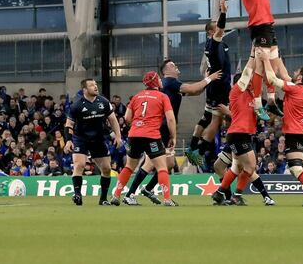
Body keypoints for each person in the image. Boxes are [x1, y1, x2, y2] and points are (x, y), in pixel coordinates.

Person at [128, 61, 221, 194]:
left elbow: (196, 92)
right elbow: (193, 89)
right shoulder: (170, 82)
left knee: (169, 163)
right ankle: (130, 194)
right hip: (162, 128)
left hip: (162, 127)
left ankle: (147, 189)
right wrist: (209, 78)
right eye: (172, 65)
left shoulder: (172, 85)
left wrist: (206, 80)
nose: (176, 66)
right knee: (150, 163)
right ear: (166, 70)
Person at [235, 0, 292, 119]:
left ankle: (272, 101)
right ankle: (258, 103)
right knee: (261, 66)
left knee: (274, 64)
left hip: (267, 26)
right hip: (260, 27)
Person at [261, 48, 303, 206]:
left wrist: (265, 59)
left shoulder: (294, 89)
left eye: (296, 71)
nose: (293, 72)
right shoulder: (302, 89)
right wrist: (275, 57)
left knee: (296, 169)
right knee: (302, 169)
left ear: (299, 76)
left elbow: (272, 78)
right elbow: (285, 75)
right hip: (301, 132)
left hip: (294, 132)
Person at [111, 71, 177, 207]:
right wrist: (173, 136)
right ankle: (167, 199)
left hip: (134, 135)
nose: (161, 80)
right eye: (159, 78)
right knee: (162, 167)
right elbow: (170, 119)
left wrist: (137, 124)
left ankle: (116, 195)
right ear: (155, 81)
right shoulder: (163, 96)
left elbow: (127, 118)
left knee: (129, 166)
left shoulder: (136, 97)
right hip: (152, 136)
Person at [186, 0, 233, 167]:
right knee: (216, 120)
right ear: (210, 32)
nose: (221, 29)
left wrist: (209, 71)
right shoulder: (214, 42)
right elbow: (220, 28)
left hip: (215, 83)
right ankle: (199, 152)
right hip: (220, 85)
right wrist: (223, 12)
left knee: (206, 116)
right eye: (217, 28)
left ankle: (191, 148)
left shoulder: (215, 44)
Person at [211, 55, 262, 206]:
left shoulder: (251, 96)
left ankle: (221, 193)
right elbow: (247, 73)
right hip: (237, 134)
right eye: (248, 80)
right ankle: (235, 195)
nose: (250, 82)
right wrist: (253, 56)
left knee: (241, 166)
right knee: (249, 166)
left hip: (245, 134)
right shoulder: (236, 92)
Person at [65, 78, 123, 206]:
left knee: (107, 169)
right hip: (81, 139)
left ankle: (103, 199)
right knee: (79, 165)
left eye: (96, 85)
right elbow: (69, 125)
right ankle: (78, 195)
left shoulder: (104, 102)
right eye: (92, 85)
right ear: (84, 89)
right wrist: (68, 141)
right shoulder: (77, 105)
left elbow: (113, 120)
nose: (96, 87)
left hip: (98, 139)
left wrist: (118, 137)